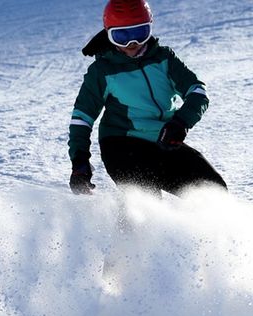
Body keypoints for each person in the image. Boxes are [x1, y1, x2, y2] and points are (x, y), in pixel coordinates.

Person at [68, 0, 226, 196]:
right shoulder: (103, 70)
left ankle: (212, 227)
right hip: (120, 145)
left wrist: (180, 122)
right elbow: (82, 118)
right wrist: (80, 161)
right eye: (122, 36)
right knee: (146, 200)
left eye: (139, 32)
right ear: (109, 34)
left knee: (212, 191)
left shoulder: (164, 59)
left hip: (162, 140)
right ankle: (122, 226)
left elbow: (198, 92)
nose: (132, 43)